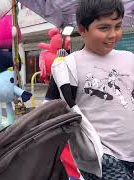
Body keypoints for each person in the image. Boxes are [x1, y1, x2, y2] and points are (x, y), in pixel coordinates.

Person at [49, 0, 134, 179]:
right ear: (82, 29)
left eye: (117, 26)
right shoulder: (67, 67)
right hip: (100, 155)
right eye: (104, 28)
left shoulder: (129, 59)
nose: (113, 34)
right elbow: (50, 110)